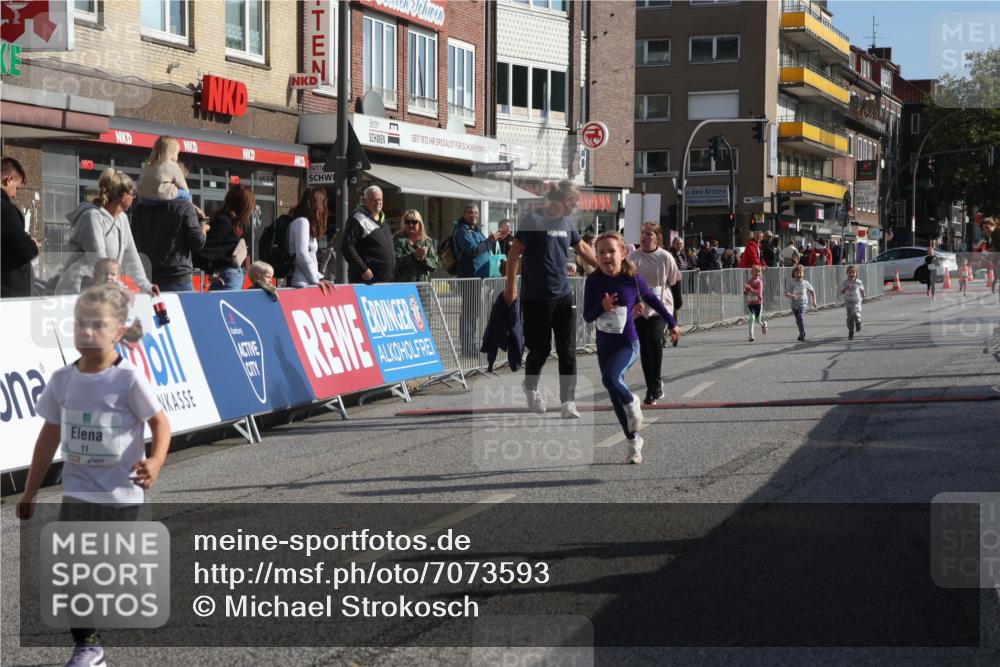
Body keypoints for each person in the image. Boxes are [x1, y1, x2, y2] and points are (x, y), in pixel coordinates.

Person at [16, 284, 171, 667]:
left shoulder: (128, 379)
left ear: (119, 331)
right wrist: (30, 492)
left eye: (97, 325)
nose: (87, 332)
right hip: (79, 494)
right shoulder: (62, 381)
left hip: (120, 496)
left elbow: (160, 422)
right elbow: (48, 436)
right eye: (80, 324)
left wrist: (155, 462)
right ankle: (88, 646)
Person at [503, 180, 597, 418]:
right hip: (536, 298)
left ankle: (568, 402)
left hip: (564, 295)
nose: (576, 207)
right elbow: (514, 253)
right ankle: (531, 386)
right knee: (541, 350)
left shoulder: (568, 222)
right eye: (575, 202)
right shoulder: (533, 220)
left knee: (568, 351)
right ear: (564, 200)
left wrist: (608, 269)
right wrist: (511, 287)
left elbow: (583, 249)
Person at [584, 232, 680, 464]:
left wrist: (672, 322)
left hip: (628, 342)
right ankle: (633, 440)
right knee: (613, 391)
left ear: (623, 253)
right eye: (601, 252)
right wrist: (602, 306)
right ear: (596, 256)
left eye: (611, 251)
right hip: (605, 343)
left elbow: (653, 300)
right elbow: (588, 316)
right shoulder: (594, 281)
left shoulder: (632, 278)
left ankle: (633, 401)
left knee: (611, 378)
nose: (606, 256)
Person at [57, 169, 158, 296]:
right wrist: (120, 288)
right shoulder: (92, 217)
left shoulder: (122, 219)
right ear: (123, 196)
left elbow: (131, 258)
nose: (134, 198)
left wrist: (146, 286)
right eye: (132, 194)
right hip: (75, 290)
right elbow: (99, 260)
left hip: (102, 289)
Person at [628, 223, 681, 404]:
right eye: (642, 233)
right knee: (644, 347)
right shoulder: (632, 257)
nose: (644, 236)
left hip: (661, 307)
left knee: (653, 339)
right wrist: (635, 302)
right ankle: (650, 388)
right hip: (640, 309)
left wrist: (677, 308)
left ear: (657, 238)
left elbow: (674, 283)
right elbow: (628, 284)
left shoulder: (665, 257)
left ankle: (656, 381)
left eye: (649, 234)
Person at [131, 173, 208, 293]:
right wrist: (203, 222)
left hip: (149, 281)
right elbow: (198, 243)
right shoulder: (184, 207)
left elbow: (134, 243)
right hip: (178, 279)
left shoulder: (139, 210)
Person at [453, 203, 508, 355]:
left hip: (479, 278)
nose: (474, 215)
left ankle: (471, 346)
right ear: (464, 214)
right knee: (468, 313)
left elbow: (485, 246)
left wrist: (495, 239)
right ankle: (468, 348)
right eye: (471, 212)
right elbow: (473, 251)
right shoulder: (462, 231)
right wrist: (490, 240)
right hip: (469, 278)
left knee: (473, 313)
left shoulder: (475, 230)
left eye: (476, 213)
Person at [192, 184, 255, 291]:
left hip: (229, 274)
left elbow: (203, 250)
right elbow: (203, 251)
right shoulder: (233, 223)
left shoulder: (228, 221)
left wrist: (211, 270)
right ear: (247, 205)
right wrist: (211, 270)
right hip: (230, 274)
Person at [1, 156, 40, 298]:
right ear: (8, 179)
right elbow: (22, 249)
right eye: (16, 187)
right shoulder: (4, 208)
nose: (15, 195)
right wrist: (33, 245)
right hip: (9, 290)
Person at [342, 185, 395, 284]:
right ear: (364, 201)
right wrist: (363, 269)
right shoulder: (358, 218)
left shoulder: (382, 219)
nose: (378, 202)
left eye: (380, 199)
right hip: (366, 281)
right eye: (374, 200)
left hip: (384, 280)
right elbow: (346, 246)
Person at [287, 186, 336, 293]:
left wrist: (320, 278)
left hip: (307, 280)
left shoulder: (304, 222)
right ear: (317, 203)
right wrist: (316, 279)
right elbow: (302, 255)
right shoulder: (302, 222)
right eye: (323, 202)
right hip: (302, 282)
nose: (325, 207)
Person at [137, 136, 192, 203]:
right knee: (185, 194)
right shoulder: (173, 166)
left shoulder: (147, 166)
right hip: (162, 196)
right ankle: (191, 209)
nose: (177, 156)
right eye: (177, 153)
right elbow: (184, 187)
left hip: (145, 199)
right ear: (171, 152)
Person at [393, 209, 440, 282]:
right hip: (404, 287)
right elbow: (395, 263)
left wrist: (423, 259)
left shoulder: (427, 242)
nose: (410, 225)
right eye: (407, 222)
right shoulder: (398, 240)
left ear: (420, 224)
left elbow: (435, 265)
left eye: (414, 222)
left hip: (422, 286)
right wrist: (413, 256)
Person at [785, 264, 817, 341]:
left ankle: (802, 334)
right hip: (794, 304)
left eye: (801, 273)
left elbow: (812, 291)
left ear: (803, 274)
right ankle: (801, 332)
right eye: (797, 273)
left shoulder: (805, 282)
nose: (799, 275)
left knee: (801, 317)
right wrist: (791, 296)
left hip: (803, 303)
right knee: (798, 320)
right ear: (794, 274)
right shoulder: (791, 283)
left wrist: (814, 301)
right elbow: (786, 293)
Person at [840, 264, 866, 340]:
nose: (851, 274)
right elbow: (841, 292)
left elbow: (862, 289)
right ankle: (851, 331)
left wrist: (863, 295)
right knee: (849, 318)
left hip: (856, 301)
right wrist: (845, 289)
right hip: (848, 301)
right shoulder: (844, 282)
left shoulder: (858, 282)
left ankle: (858, 323)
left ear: (856, 274)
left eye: (853, 273)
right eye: (850, 273)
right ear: (847, 273)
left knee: (855, 314)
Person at [743, 264, 768, 342]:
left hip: (758, 303)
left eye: (759, 272)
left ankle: (764, 324)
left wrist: (749, 289)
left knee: (758, 320)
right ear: (751, 272)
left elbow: (758, 293)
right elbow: (746, 292)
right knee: (752, 319)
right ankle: (751, 335)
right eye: (756, 271)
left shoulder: (759, 282)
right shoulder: (748, 282)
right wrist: (745, 291)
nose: (757, 273)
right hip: (751, 304)